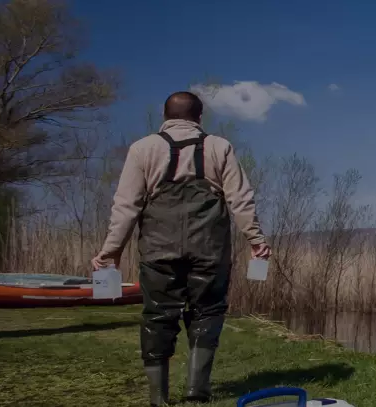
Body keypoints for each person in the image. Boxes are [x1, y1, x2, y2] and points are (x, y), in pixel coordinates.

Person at [91, 91, 272, 406]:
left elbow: (126, 207)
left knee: (158, 316)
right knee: (208, 313)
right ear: (200, 118)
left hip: (158, 250)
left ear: (165, 116)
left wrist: (111, 252)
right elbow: (241, 199)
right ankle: (196, 395)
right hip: (210, 249)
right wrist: (255, 239)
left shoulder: (142, 149)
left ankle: (158, 399)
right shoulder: (220, 147)